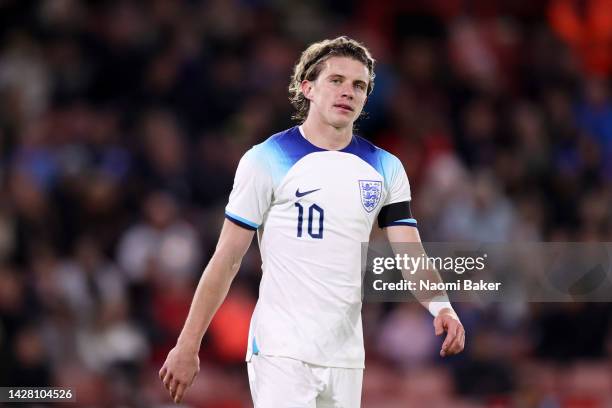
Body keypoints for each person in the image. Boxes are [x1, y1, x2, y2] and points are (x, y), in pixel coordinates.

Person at [159, 36, 465, 407]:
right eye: (335, 80)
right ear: (308, 88)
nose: (347, 92)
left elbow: (408, 254)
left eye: (359, 85)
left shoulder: (386, 168)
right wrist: (188, 344)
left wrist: (441, 306)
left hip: (346, 357)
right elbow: (227, 259)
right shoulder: (266, 159)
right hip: (282, 351)